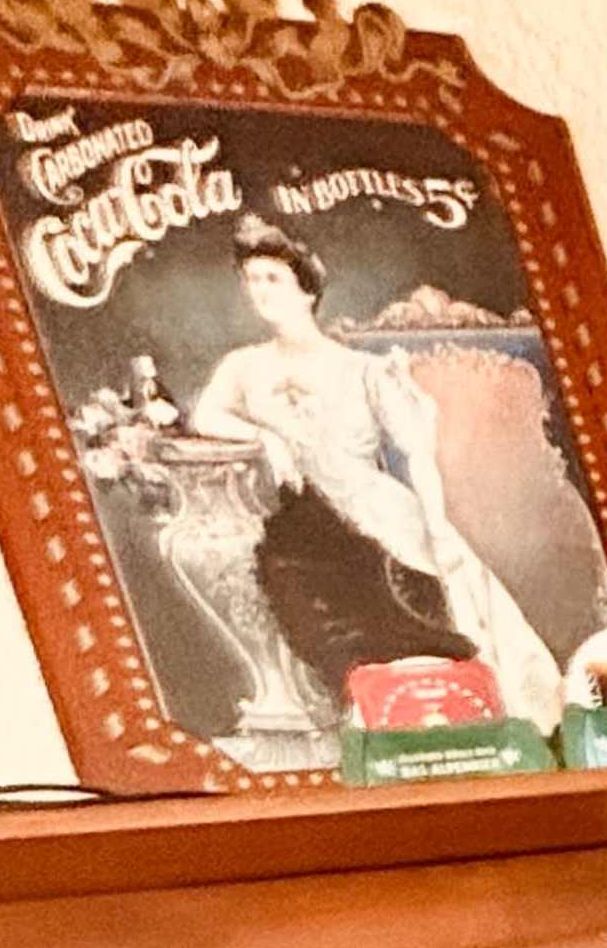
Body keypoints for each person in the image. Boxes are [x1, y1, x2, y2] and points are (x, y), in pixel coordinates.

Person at [184, 219, 566, 726]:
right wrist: (266, 437)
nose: (260, 291)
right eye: (252, 280)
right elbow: (206, 416)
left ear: (306, 288)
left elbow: (417, 454)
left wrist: (436, 527)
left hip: (372, 510)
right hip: (299, 518)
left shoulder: (364, 370)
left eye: (273, 278)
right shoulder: (243, 365)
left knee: (443, 597)